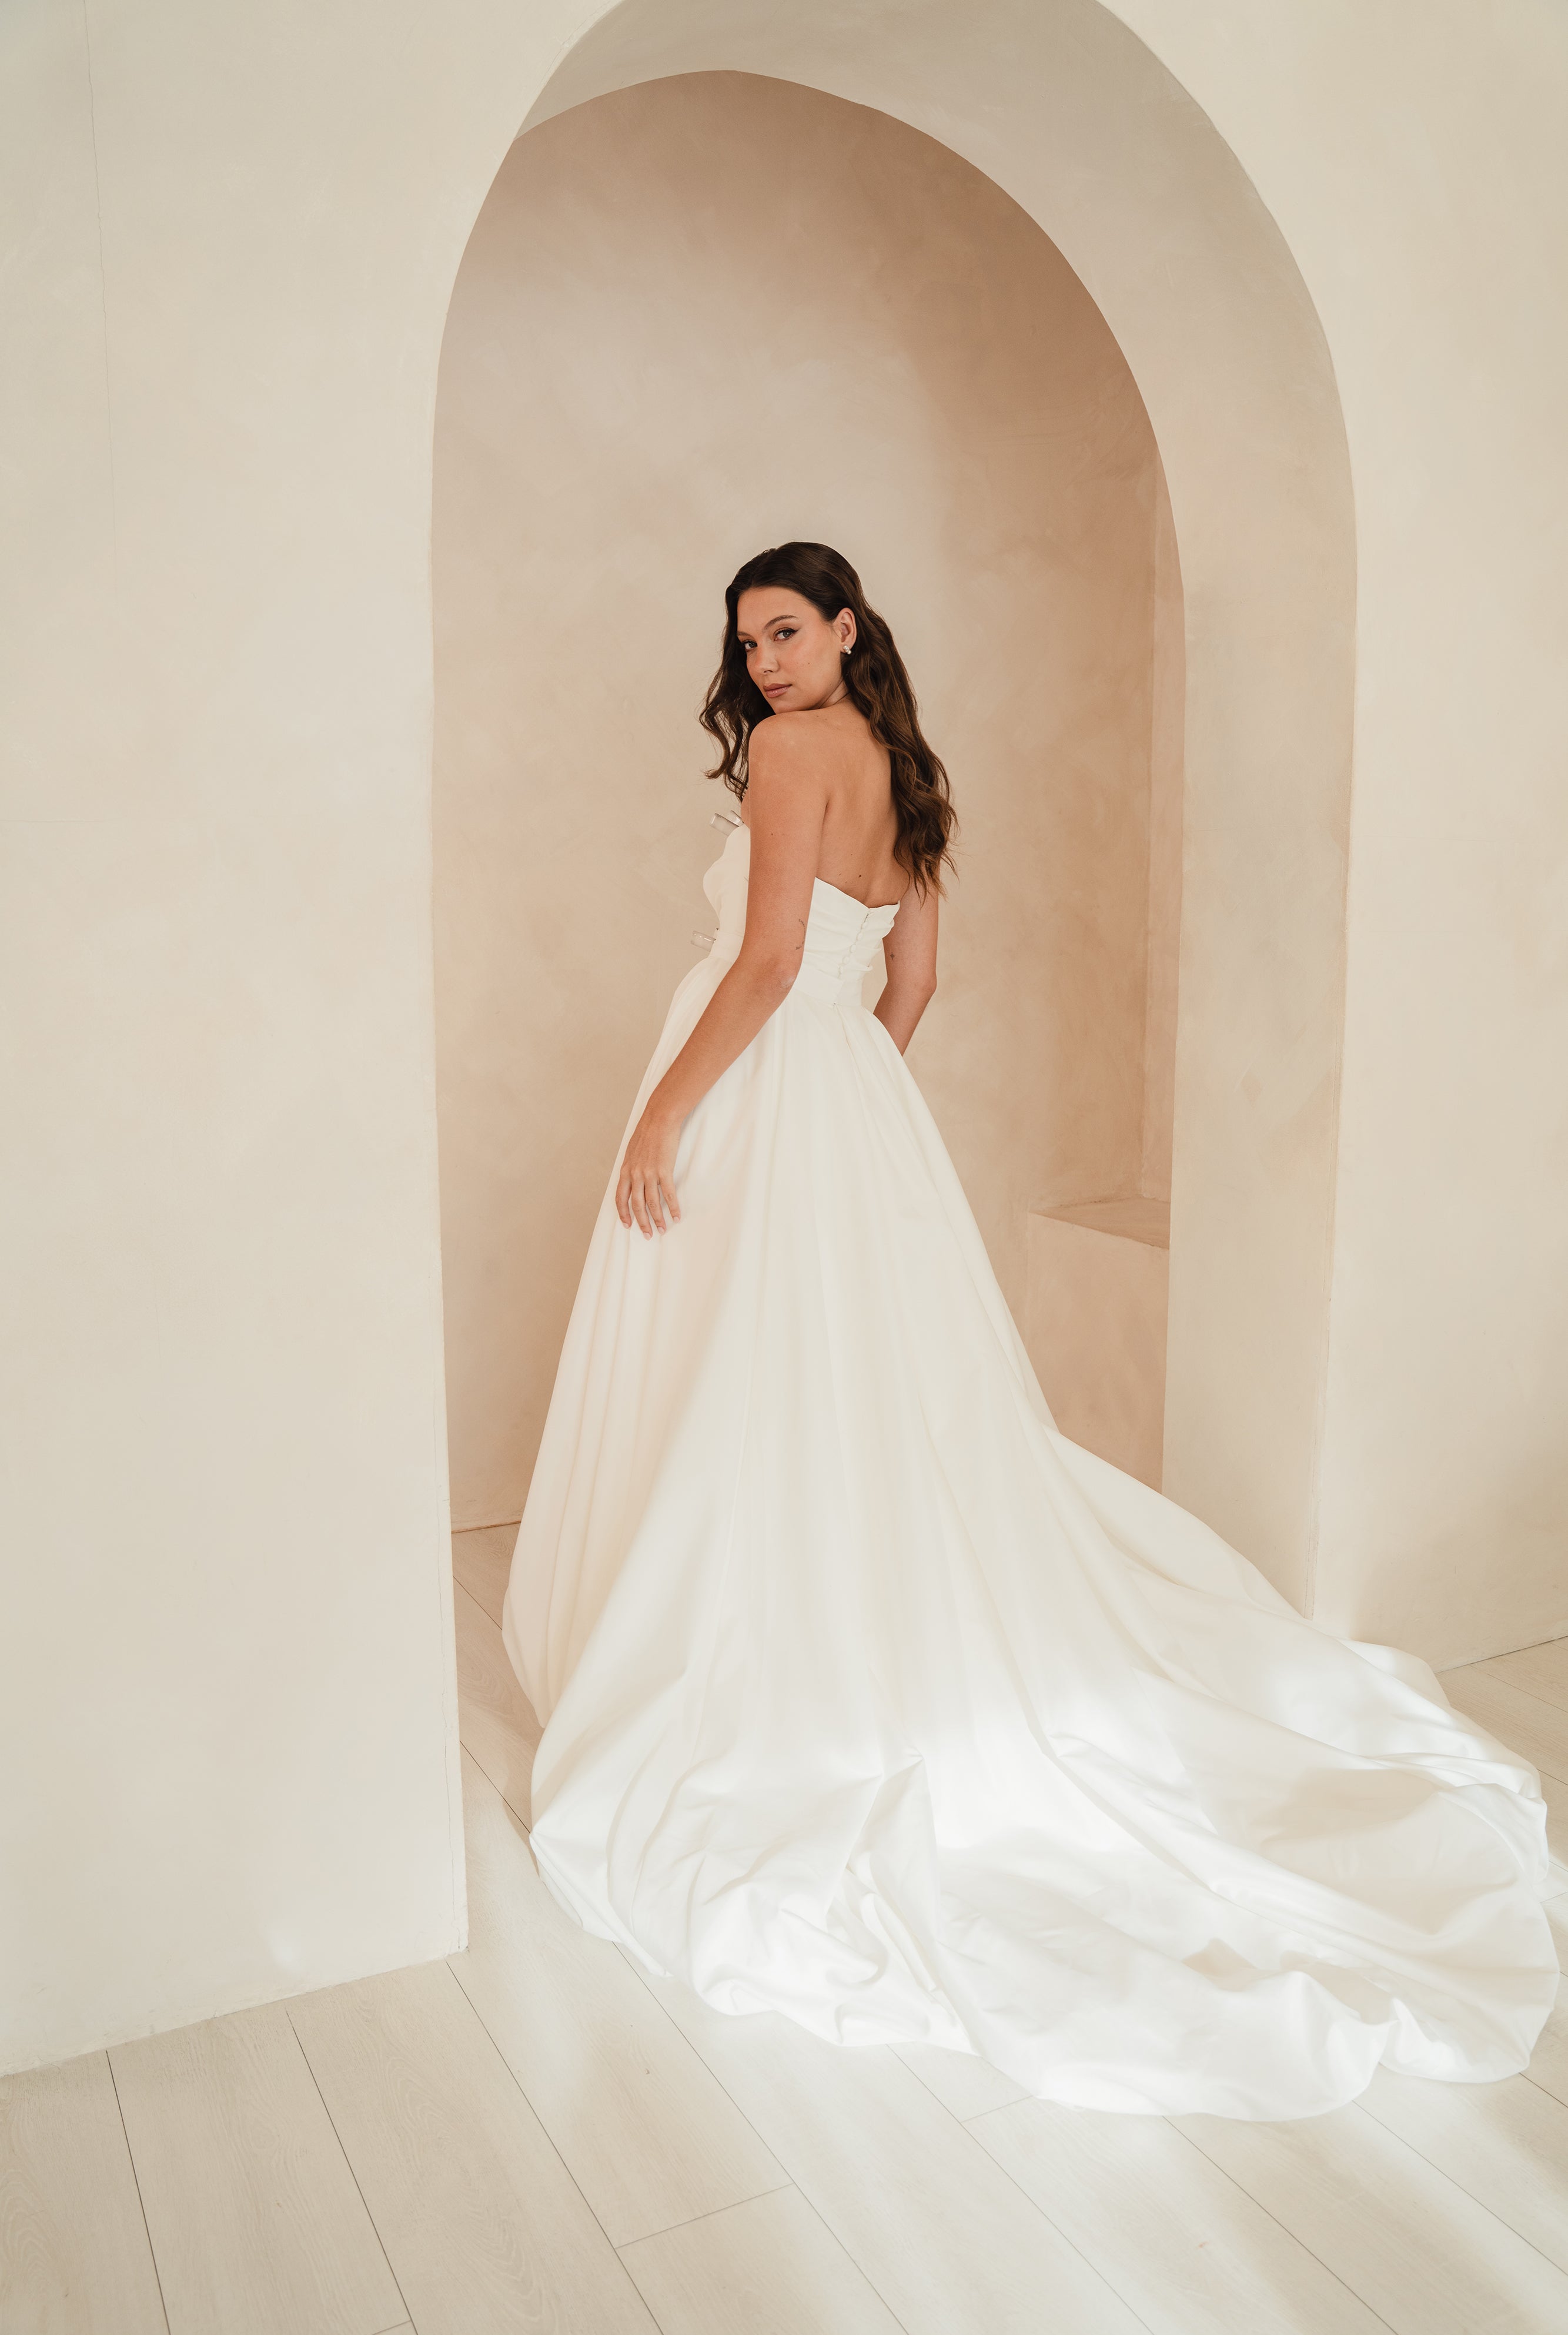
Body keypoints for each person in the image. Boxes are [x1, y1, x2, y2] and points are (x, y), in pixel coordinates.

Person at [502, 541, 1557, 2119]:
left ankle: (754, 1643)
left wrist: (666, 1112)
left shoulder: (791, 754)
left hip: (758, 1087)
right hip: (849, 1099)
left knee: (747, 1377)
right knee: (853, 1391)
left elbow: (771, 961)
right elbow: (911, 983)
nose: (765, 664)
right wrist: (847, 1098)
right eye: (749, 643)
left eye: (785, 631)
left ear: (844, 627)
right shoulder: (911, 772)